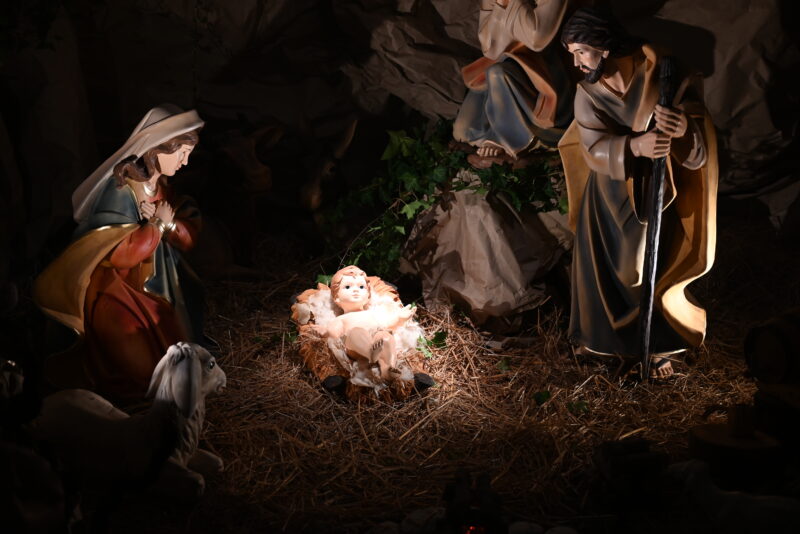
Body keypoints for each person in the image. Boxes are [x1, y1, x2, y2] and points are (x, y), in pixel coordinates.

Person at [557, 8, 718, 378]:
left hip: (657, 191)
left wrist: (682, 128)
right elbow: (592, 148)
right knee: (608, 271)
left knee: (651, 266)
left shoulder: (661, 75)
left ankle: (660, 345)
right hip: (607, 196)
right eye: (572, 54)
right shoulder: (588, 93)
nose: (577, 63)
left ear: (603, 46)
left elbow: (700, 144)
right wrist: (634, 146)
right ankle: (602, 342)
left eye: (581, 52)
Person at [34, 104, 205, 401]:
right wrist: (156, 226)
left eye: (189, 154)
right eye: (182, 153)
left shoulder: (162, 188)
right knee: (139, 365)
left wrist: (166, 224)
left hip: (157, 286)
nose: (185, 162)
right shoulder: (120, 189)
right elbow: (119, 254)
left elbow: (187, 239)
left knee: (175, 348)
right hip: (115, 290)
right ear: (159, 148)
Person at [453, 0, 578, 168]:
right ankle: (497, 132)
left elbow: (538, 39)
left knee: (498, 73)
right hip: (505, 62)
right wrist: (502, 5)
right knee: (464, 130)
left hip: (546, 71)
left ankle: (505, 139)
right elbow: (490, 47)